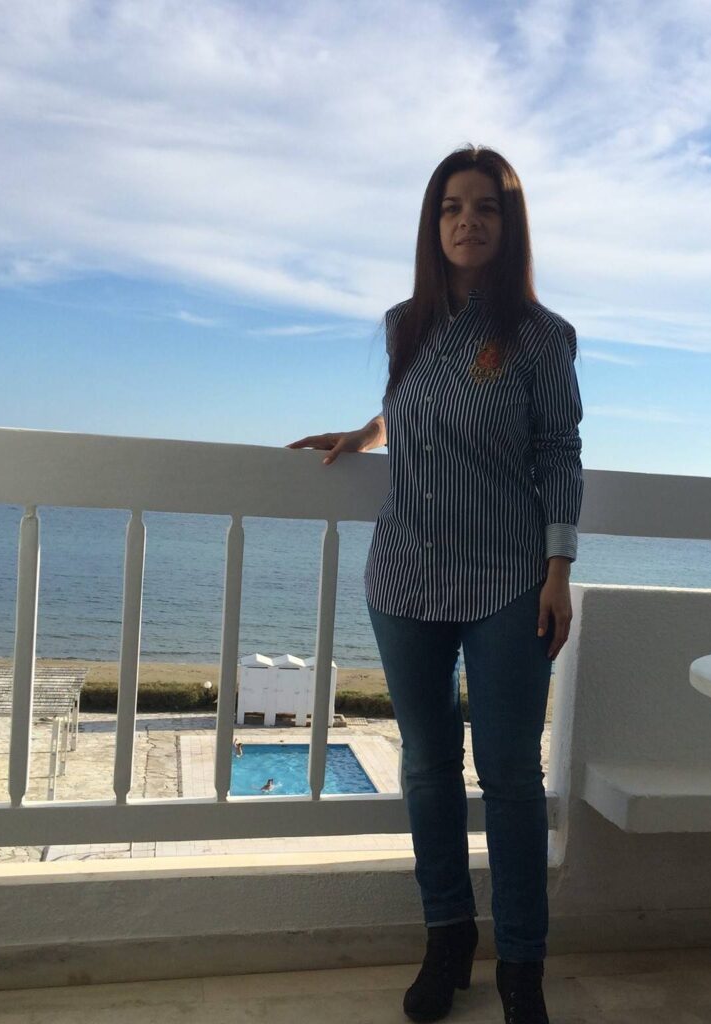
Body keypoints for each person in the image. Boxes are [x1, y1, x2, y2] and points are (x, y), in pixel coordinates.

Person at [288, 145, 582, 1024]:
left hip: (508, 580)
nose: (467, 221)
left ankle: (522, 964)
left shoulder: (542, 336)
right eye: (452, 207)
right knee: (425, 767)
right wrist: (365, 434)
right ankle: (447, 936)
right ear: (433, 222)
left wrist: (559, 570)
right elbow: (413, 406)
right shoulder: (404, 324)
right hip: (404, 572)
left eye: (485, 207)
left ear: (508, 223)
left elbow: (558, 452)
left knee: (511, 774)